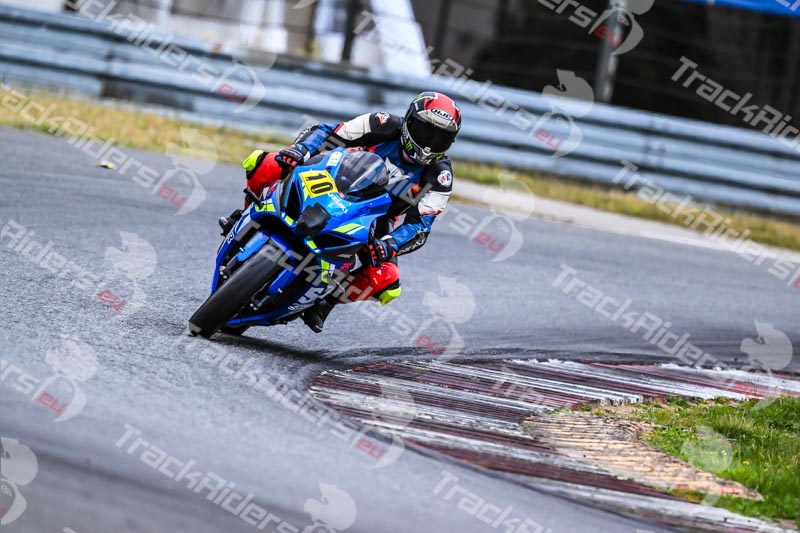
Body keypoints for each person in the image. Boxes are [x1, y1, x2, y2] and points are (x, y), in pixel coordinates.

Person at [218, 91, 462, 332]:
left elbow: (420, 226)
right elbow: (327, 131)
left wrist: (389, 244)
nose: (429, 143)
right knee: (263, 162)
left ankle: (327, 300)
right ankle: (247, 213)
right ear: (409, 121)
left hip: (375, 215)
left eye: (440, 138)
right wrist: (299, 150)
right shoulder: (383, 123)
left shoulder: (440, 177)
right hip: (332, 177)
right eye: (426, 131)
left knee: (387, 281)